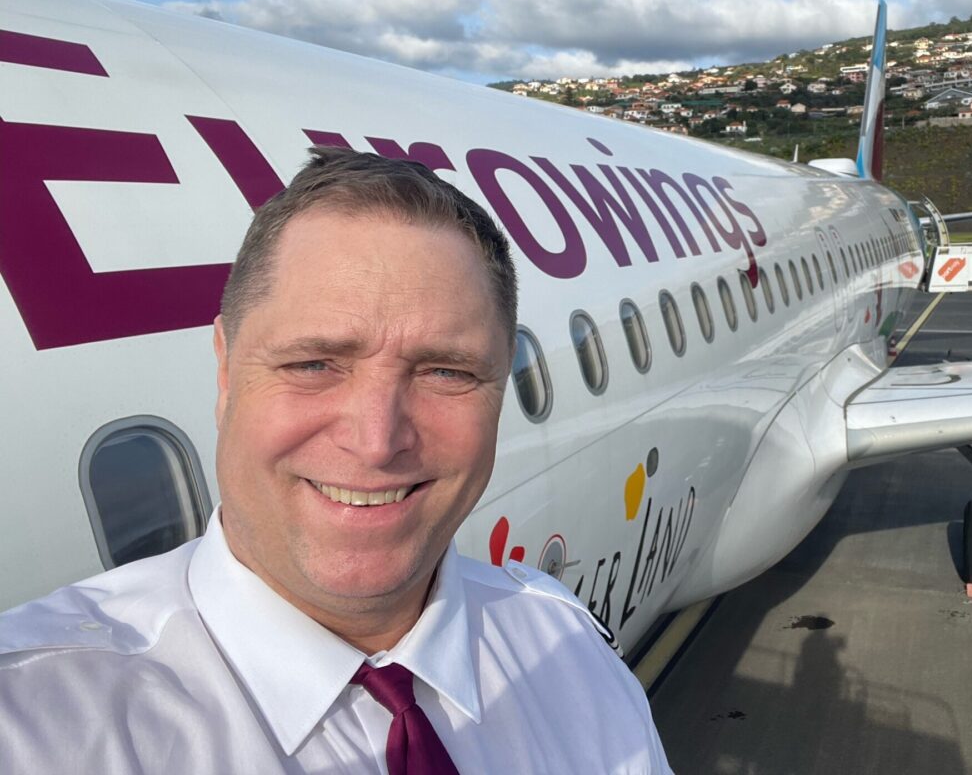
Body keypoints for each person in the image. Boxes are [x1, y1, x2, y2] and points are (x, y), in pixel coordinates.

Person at [0, 148, 672, 774]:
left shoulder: (567, 650)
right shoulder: (36, 724)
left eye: (446, 371)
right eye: (313, 364)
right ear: (226, 370)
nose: (377, 442)